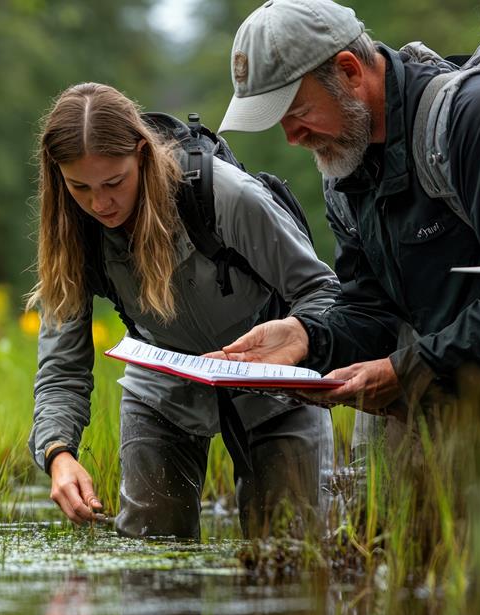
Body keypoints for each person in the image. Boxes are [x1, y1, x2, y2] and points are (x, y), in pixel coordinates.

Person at [209, 0, 480, 417]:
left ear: (349, 71)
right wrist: (307, 338)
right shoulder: (345, 164)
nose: (293, 137)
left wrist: (410, 369)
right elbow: (371, 309)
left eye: (297, 113)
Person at [26, 82, 339, 540]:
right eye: (80, 187)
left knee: (290, 558)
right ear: (59, 178)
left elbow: (322, 292)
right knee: (153, 568)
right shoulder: (70, 232)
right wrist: (58, 453)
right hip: (162, 388)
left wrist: (294, 343)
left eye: (114, 182)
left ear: (142, 154)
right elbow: (62, 369)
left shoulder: (224, 195)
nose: (100, 204)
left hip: (274, 382)